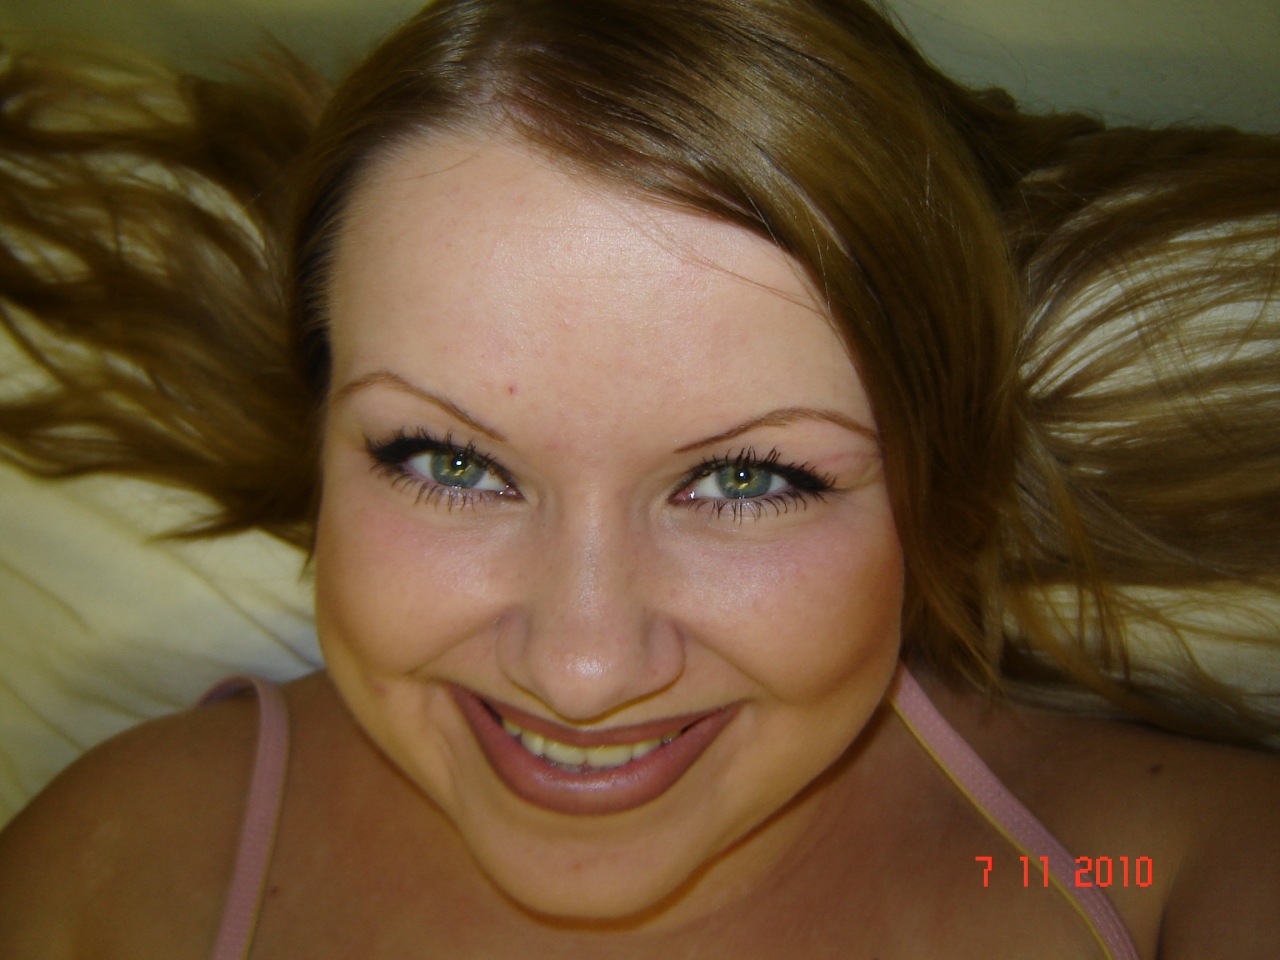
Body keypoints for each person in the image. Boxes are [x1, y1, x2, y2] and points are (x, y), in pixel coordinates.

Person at [0, 0, 1278, 956]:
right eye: (450, 462)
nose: (582, 671)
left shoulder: (1162, 885)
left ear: (934, 492)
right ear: (320, 436)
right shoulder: (123, 872)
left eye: (745, 481)